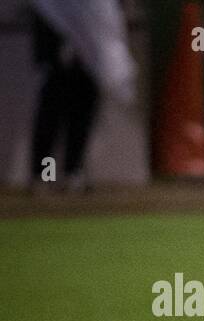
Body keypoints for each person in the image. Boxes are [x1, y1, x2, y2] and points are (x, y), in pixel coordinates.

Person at [27, 0, 137, 194]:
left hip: (91, 46)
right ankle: (43, 175)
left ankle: (73, 172)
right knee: (51, 111)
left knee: (82, 112)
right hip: (55, 36)